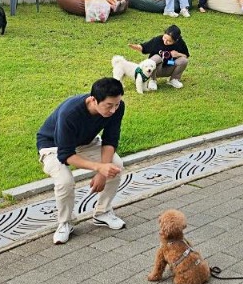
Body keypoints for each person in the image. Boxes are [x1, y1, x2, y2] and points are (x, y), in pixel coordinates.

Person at [36, 78, 127, 245]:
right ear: (93, 100)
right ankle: (65, 223)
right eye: (109, 105)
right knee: (64, 181)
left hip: (86, 142)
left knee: (116, 166)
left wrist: (103, 172)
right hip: (54, 145)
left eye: (117, 104)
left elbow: (110, 140)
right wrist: (100, 168)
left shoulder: (117, 107)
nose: (114, 109)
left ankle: (102, 212)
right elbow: (66, 155)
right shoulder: (69, 113)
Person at [129, 24, 189, 88]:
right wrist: (136, 47)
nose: (165, 41)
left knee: (184, 60)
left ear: (176, 40)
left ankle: (174, 79)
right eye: (164, 38)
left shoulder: (180, 43)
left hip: (170, 64)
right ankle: (153, 80)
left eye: (169, 41)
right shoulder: (157, 40)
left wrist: (177, 54)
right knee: (157, 57)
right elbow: (144, 47)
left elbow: (186, 55)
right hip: (156, 68)